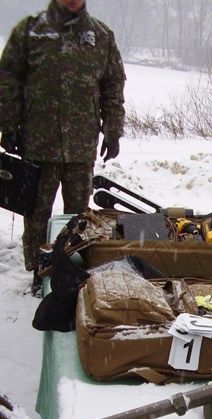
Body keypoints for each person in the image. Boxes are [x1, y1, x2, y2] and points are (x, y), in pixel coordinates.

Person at [0, 0, 125, 294]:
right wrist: (8, 125)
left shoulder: (101, 36)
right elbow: (8, 81)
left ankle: (71, 272)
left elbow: (113, 87)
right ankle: (38, 270)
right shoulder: (30, 31)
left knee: (78, 218)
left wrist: (113, 131)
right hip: (37, 143)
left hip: (81, 145)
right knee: (36, 214)